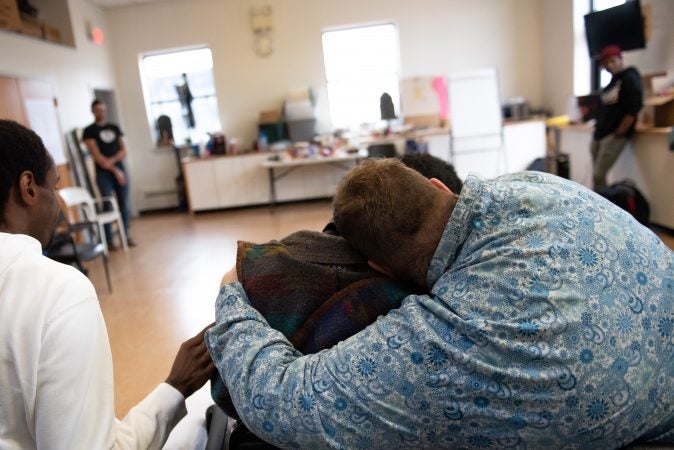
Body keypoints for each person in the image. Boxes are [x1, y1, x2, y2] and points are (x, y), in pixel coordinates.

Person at [207, 158, 674, 449]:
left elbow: (286, 403)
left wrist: (232, 294)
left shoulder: (449, 338)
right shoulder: (538, 186)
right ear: (438, 186)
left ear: (382, 269)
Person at [0, 119, 215, 449]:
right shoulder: (56, 291)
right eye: (54, 188)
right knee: (203, 427)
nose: (57, 205)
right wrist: (175, 388)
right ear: (28, 187)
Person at [82, 99, 135, 248]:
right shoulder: (89, 131)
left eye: (103, 110)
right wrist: (114, 169)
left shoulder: (114, 127)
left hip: (119, 169)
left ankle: (125, 236)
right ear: (93, 111)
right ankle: (109, 240)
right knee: (107, 204)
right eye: (98, 110)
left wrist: (114, 164)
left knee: (123, 203)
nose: (101, 113)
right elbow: (97, 156)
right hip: (103, 173)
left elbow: (123, 150)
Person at [591, 44, 643, 190]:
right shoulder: (610, 84)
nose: (609, 65)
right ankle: (596, 205)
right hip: (600, 134)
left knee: (598, 175)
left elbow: (634, 108)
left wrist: (619, 133)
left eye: (612, 61)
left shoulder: (630, 77)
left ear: (620, 59)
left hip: (613, 135)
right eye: (606, 63)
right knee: (596, 177)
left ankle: (603, 211)